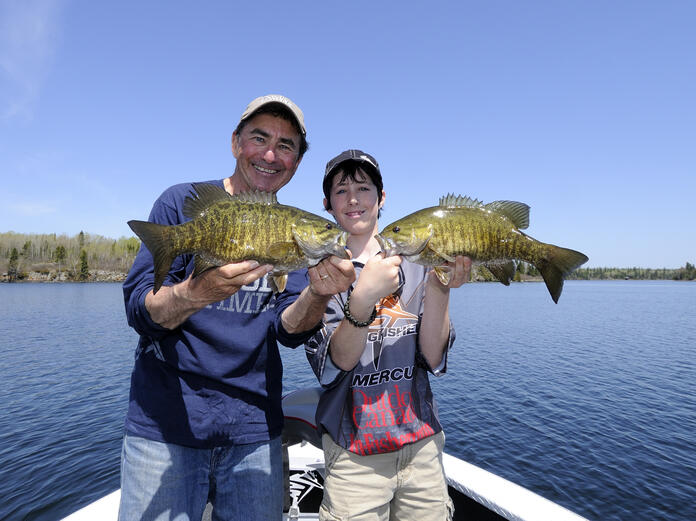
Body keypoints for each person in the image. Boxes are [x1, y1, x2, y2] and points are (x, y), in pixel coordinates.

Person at [120, 95, 355, 521]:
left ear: (297, 162)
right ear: (234, 143)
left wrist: (319, 294)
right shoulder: (183, 201)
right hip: (165, 426)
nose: (270, 154)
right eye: (259, 138)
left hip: (253, 430)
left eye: (286, 145)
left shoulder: (295, 234)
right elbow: (140, 312)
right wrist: (196, 293)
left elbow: (289, 331)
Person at [305, 150, 472, 521]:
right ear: (327, 205)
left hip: (422, 446)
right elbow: (335, 366)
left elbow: (433, 357)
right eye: (340, 190)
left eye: (364, 188)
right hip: (353, 455)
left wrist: (441, 286)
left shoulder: (419, 261)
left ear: (382, 198)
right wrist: (363, 296)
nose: (353, 199)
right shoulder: (322, 275)